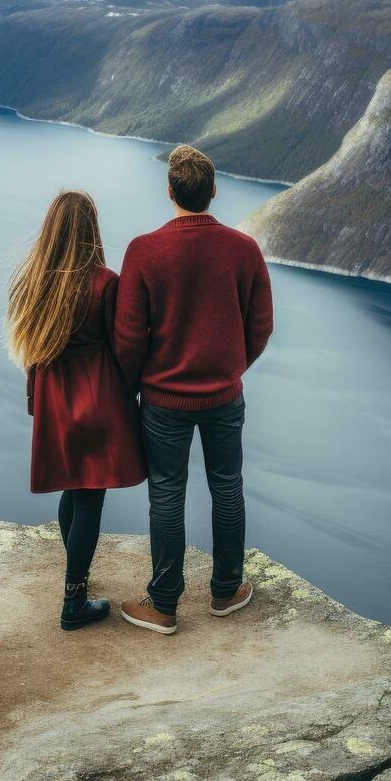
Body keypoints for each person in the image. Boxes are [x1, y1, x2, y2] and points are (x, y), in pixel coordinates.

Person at [114, 145, 274, 635]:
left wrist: (138, 384)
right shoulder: (242, 249)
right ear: (213, 192)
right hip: (224, 396)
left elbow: (127, 335)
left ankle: (163, 606)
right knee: (227, 488)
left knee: (167, 495)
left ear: (170, 192)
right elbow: (261, 325)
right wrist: (227, 368)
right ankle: (227, 591)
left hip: (163, 400)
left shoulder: (144, 250)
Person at [7, 190, 146, 630]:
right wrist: (134, 392)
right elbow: (125, 347)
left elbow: (32, 351)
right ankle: (74, 601)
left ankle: (77, 580)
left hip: (54, 399)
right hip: (95, 398)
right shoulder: (104, 283)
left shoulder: (34, 279)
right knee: (88, 496)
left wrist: (35, 400)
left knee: (73, 488)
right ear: (90, 230)